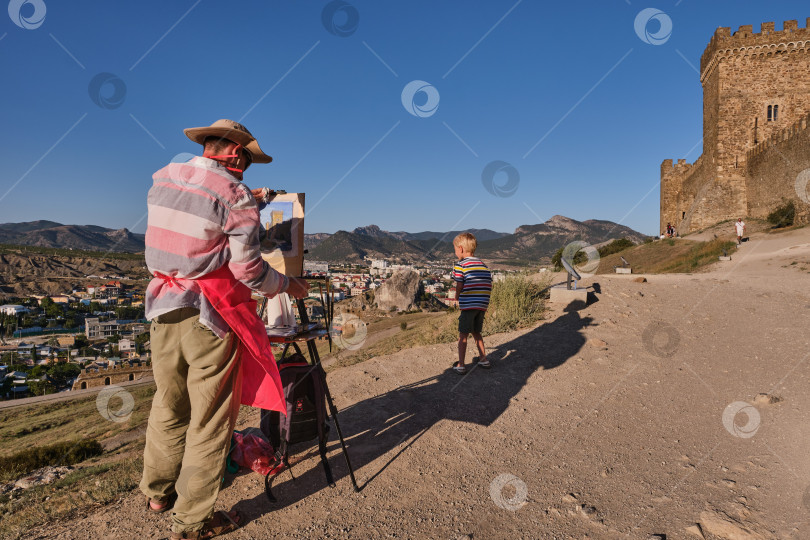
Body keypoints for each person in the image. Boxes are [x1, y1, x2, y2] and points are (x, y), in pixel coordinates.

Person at [140, 119, 309, 539]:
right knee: (211, 420)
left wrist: (250, 198)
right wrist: (289, 284)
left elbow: (201, 207)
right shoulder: (236, 197)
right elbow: (249, 271)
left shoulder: (164, 177)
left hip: (161, 307)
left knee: (168, 405)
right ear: (235, 153)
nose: (244, 173)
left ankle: (158, 493)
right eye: (246, 163)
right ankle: (191, 523)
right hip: (208, 315)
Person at [451, 232, 492, 374]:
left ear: (461, 249)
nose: (456, 253)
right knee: (477, 332)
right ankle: (483, 359)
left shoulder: (461, 265)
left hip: (468, 305)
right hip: (482, 305)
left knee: (463, 335)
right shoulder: (483, 265)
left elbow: (459, 285)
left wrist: (456, 298)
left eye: (455, 249)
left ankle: (461, 364)